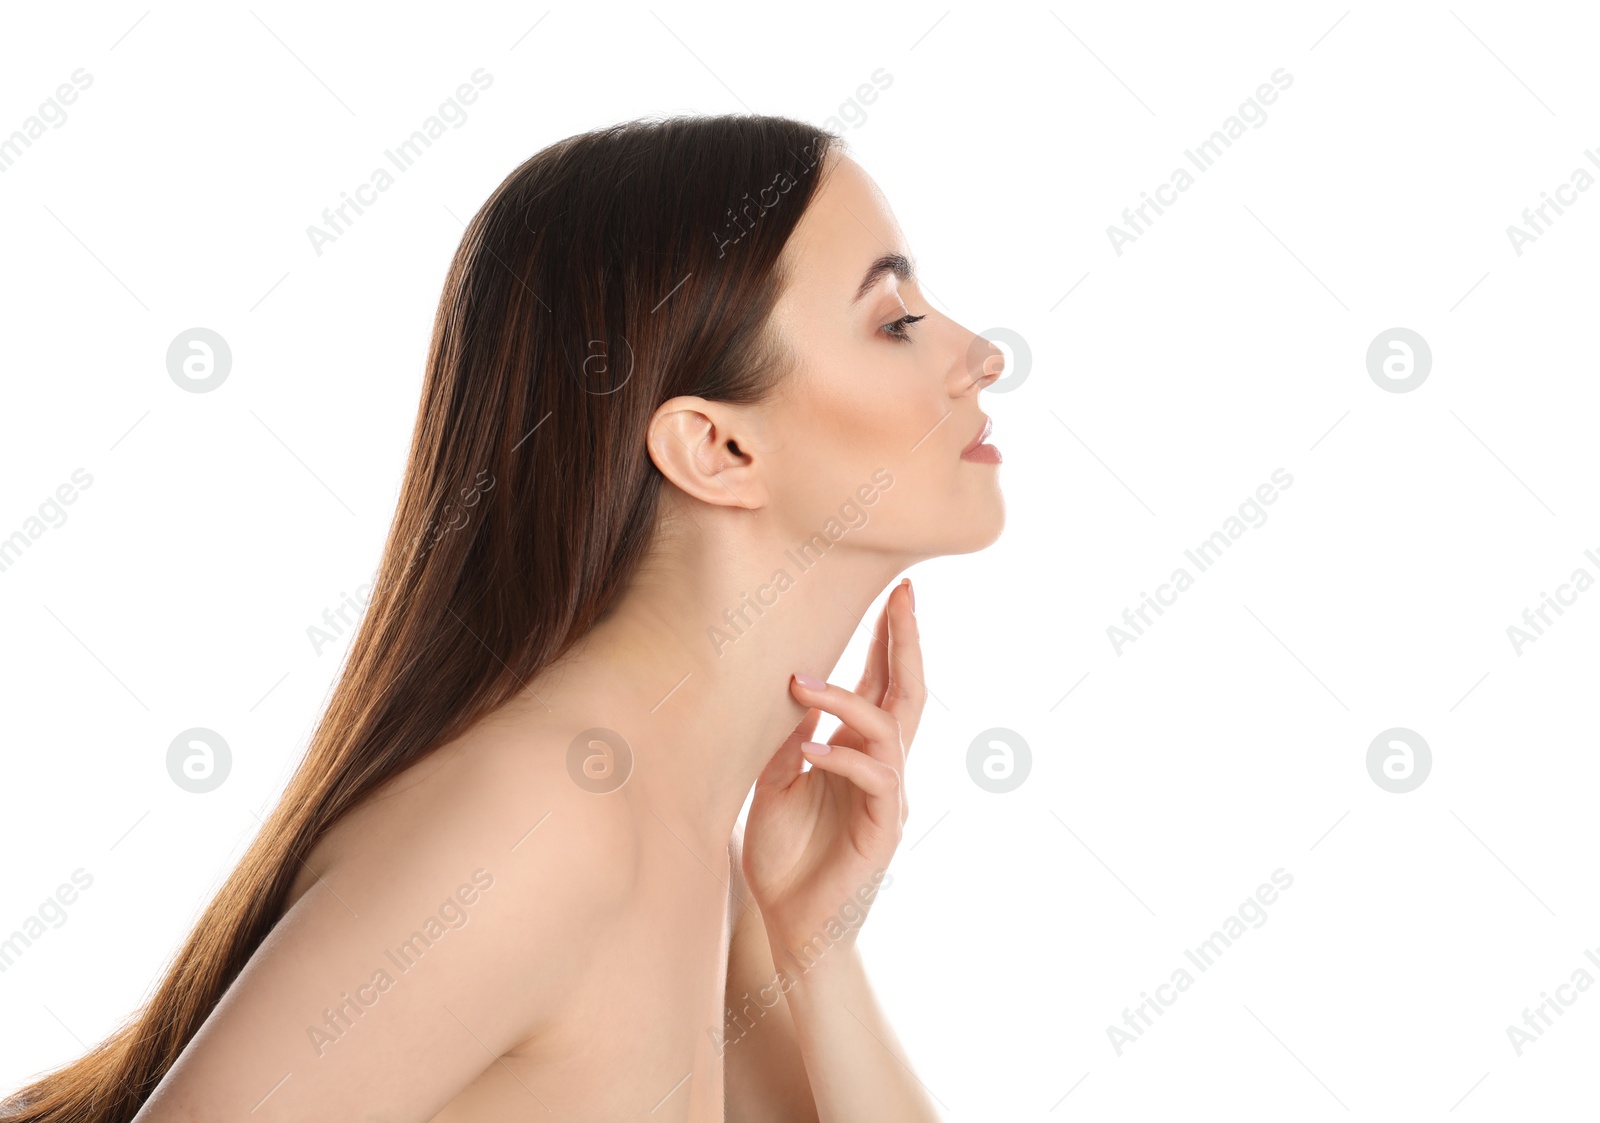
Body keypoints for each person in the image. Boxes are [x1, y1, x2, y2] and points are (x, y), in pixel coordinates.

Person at [1, 113, 1005, 1122]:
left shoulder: (682, 836)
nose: (980, 355)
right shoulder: (547, 825)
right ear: (717, 448)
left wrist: (817, 949)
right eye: (894, 321)